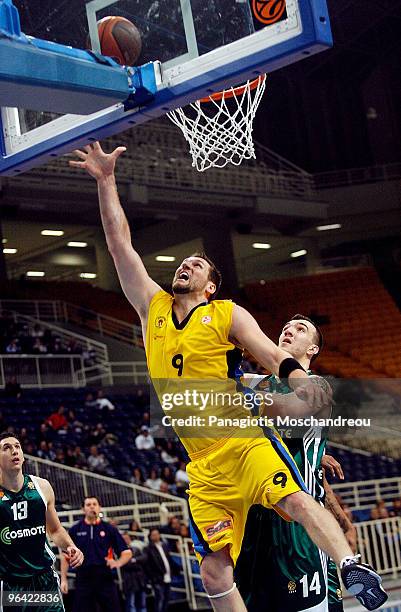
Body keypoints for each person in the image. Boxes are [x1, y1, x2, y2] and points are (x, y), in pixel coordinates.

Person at [71, 142, 387, 611]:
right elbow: (119, 244)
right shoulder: (150, 306)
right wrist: (106, 181)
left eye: (197, 264)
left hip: (242, 442)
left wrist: (302, 379)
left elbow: (267, 354)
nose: (186, 264)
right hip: (202, 464)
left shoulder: (226, 313)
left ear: (211, 285)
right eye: (183, 262)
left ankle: (349, 565)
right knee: (213, 568)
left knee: (296, 502)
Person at [235, 315, 357, 612]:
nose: (289, 331)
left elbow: (286, 416)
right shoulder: (259, 383)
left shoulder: (318, 386)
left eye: (300, 329)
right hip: (253, 520)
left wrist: (233, 393)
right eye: (285, 327)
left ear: (312, 349)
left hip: (296, 523)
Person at [0, 432, 84, 611]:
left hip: (44, 579)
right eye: (6, 448)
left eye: (17, 447)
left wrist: (70, 546)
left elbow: (55, 530)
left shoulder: (41, 487)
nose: (14, 451)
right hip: (11, 585)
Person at [60, 496, 132, 612]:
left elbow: (127, 552)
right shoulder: (75, 529)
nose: (92, 506)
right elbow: (65, 556)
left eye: (94, 504)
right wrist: (63, 579)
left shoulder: (109, 529)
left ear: (100, 508)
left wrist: (117, 563)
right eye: (88, 505)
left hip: (104, 576)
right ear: (83, 509)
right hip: (83, 577)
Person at [142, 528, 177, 612]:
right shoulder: (148, 549)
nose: (156, 536)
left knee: (166, 598)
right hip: (157, 578)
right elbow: (148, 566)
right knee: (159, 599)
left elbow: (168, 559)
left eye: (157, 534)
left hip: (167, 576)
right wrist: (153, 577)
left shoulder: (164, 545)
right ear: (150, 537)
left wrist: (175, 569)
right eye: (154, 535)